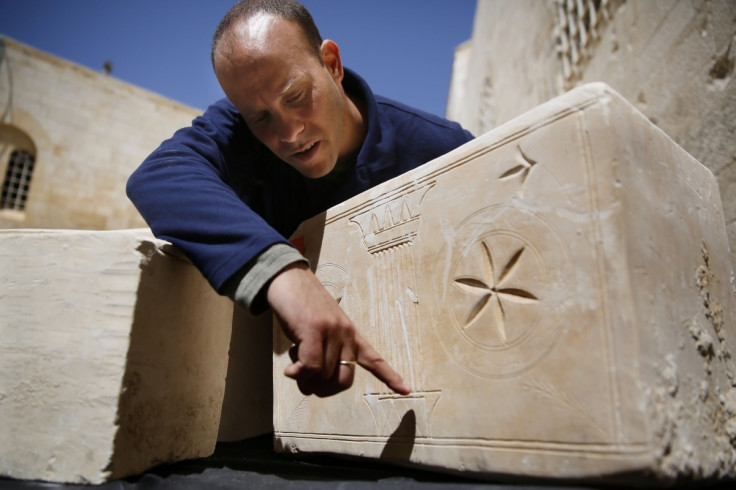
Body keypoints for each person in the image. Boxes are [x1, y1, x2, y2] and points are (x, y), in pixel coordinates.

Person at [126, 0, 473, 399]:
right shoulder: (240, 129)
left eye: (296, 96)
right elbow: (159, 175)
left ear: (332, 64)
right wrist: (285, 274)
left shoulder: (444, 150)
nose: (289, 133)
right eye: (261, 118)